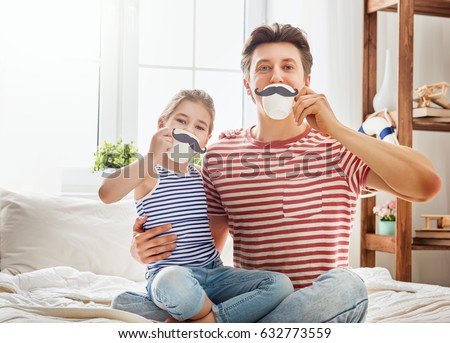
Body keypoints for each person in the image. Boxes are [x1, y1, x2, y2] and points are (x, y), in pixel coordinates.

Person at [111, 23, 442, 323]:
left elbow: (426, 185)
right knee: (125, 304)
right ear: (248, 85)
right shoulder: (221, 154)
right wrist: (141, 250)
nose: (277, 77)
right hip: (251, 301)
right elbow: (201, 253)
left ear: (305, 82)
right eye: (264, 68)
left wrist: (338, 129)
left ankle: (218, 328)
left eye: (288, 67)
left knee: (348, 286)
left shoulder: (338, 147)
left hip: (316, 305)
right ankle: (231, 324)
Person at [98, 89, 294, 323]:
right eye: (181, 121)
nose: (189, 131)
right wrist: (151, 155)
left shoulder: (202, 176)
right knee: (166, 286)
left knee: (280, 285)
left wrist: (231, 138)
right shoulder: (149, 172)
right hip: (170, 277)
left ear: (205, 140)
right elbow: (106, 194)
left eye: (199, 127)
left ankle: (203, 320)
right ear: (162, 124)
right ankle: (215, 314)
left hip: (214, 273)